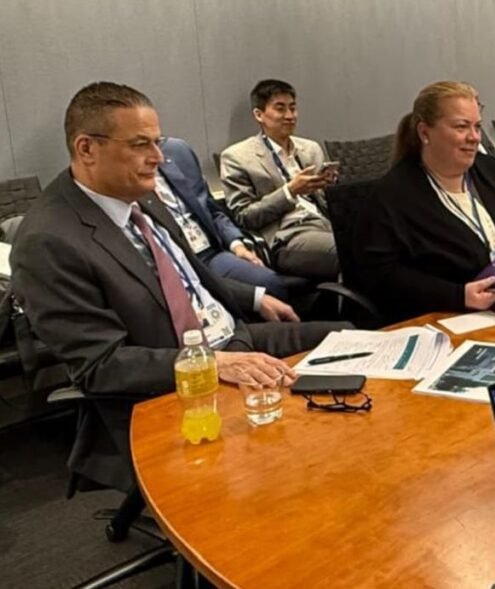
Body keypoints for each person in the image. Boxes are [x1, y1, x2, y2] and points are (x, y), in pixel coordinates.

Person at [10, 82, 347, 492]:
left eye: (157, 142)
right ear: (86, 149)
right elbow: (101, 366)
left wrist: (254, 296)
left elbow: (187, 278)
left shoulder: (141, 199)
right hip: (178, 383)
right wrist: (214, 364)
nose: (158, 158)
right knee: (294, 454)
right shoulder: (48, 241)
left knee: (350, 343)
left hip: (231, 339)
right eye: (140, 145)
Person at [354, 81, 495, 323]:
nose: (473, 137)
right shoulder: (393, 195)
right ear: (424, 133)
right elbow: (380, 276)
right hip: (443, 318)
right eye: (462, 127)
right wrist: (457, 295)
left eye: (477, 127)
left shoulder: (493, 171)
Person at [220, 79, 339, 280]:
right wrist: (290, 191)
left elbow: (327, 203)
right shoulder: (237, 157)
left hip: (326, 224)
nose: (290, 116)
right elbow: (243, 216)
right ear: (259, 115)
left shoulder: (310, 149)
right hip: (288, 236)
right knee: (355, 252)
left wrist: (330, 188)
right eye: (280, 109)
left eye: (293, 108)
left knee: (382, 242)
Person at [156, 136, 287, 299]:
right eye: (141, 143)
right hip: (171, 264)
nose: (155, 153)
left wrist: (236, 244)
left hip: (207, 253)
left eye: (155, 141)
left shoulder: (177, 150)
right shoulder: (122, 178)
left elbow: (211, 208)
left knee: (271, 283)